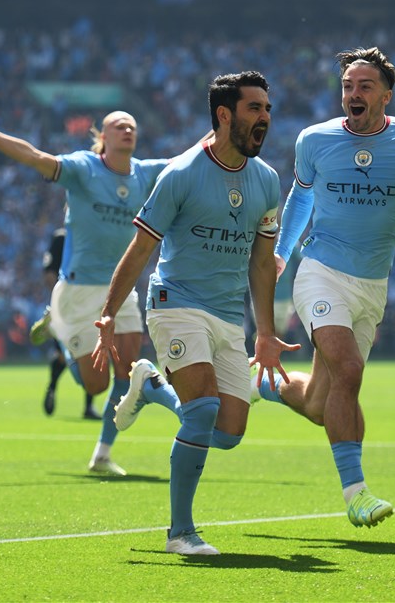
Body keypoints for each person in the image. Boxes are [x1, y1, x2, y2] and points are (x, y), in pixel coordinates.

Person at [261, 47, 395, 529]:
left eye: (364, 86)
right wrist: (281, 252)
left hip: (372, 284)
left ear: (386, 95)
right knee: (349, 369)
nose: (353, 94)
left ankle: (259, 382)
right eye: (347, 86)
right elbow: (299, 199)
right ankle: (355, 494)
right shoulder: (314, 139)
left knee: (320, 403)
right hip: (320, 271)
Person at [92, 71, 298, 556]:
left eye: (267, 109)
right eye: (254, 108)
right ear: (225, 115)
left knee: (227, 433)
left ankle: (152, 388)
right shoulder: (181, 173)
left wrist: (265, 332)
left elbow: (262, 262)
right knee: (203, 410)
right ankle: (180, 533)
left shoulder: (267, 181)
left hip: (227, 315)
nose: (265, 118)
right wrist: (108, 313)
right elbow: (141, 248)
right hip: (176, 302)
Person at [0, 102, 169, 476]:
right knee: (96, 384)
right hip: (79, 292)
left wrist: (226, 123)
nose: (127, 130)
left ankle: (102, 455)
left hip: (120, 288)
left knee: (128, 371)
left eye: (132, 126)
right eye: (119, 125)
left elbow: (192, 159)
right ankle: (58, 328)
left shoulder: (146, 173)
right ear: (103, 136)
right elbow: (35, 157)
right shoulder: (83, 168)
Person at [29, 225, 102, 420]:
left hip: (89, 304)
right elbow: (49, 274)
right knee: (64, 355)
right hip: (66, 306)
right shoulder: (61, 238)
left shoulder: (93, 236)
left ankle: (88, 406)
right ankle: (52, 386)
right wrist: (60, 302)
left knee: (91, 352)